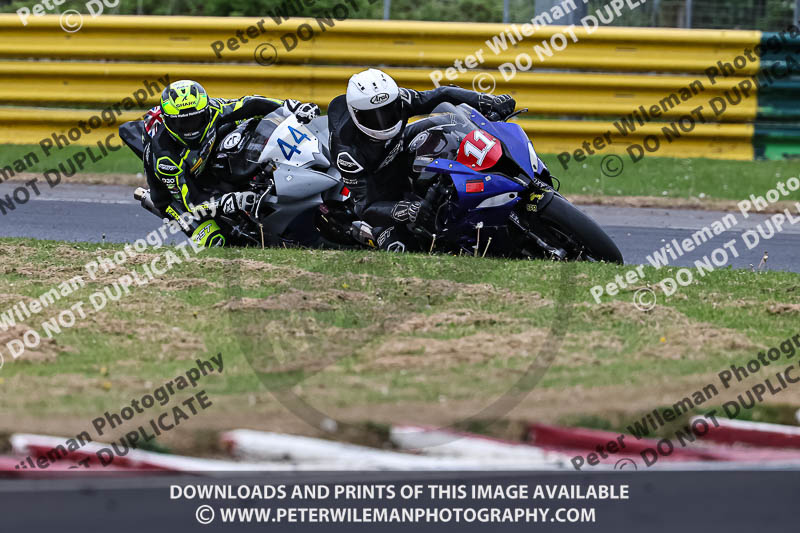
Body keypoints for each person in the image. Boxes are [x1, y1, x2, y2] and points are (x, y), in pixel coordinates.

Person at [327, 68, 516, 252]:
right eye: (372, 116)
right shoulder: (346, 152)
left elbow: (442, 94)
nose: (383, 121)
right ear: (355, 114)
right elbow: (366, 206)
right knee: (403, 247)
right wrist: (406, 210)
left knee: (449, 125)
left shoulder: (400, 98)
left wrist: (487, 100)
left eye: (388, 111)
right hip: (381, 191)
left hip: (399, 149)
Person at [142, 79, 320, 246]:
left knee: (241, 131)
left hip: (205, 159)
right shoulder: (165, 157)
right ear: (168, 122)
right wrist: (225, 201)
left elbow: (251, 104)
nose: (191, 129)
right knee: (217, 240)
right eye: (183, 123)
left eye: (195, 119)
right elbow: (191, 203)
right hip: (174, 195)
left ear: (206, 111)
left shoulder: (214, 108)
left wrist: (290, 107)